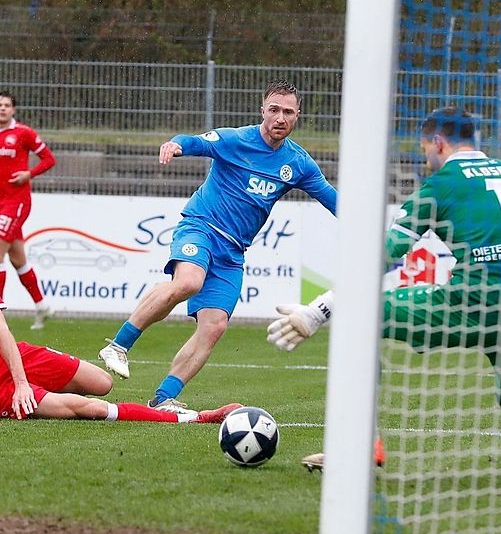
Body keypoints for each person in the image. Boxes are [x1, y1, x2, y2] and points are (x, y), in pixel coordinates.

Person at [266, 107, 501, 487]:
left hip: (473, 303)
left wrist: (321, 308)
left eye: (425, 148)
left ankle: (362, 447)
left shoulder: (441, 184)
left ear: (438, 142)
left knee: (359, 319)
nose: (426, 156)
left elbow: (388, 251)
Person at [0, 195, 241, 425]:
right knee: (87, 409)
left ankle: (38, 394)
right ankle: (196, 419)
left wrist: (21, 380)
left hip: (6, 360)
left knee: (101, 383)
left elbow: (0, 330)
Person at [97, 80, 337, 413]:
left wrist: (367, 229)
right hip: (201, 227)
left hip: (232, 253)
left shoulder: (298, 163)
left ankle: (163, 398)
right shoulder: (236, 139)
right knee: (187, 282)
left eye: (288, 112)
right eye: (274, 110)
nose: (280, 117)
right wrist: (174, 145)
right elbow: (194, 142)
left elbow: (332, 200)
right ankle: (118, 346)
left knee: (214, 327)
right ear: (262, 111)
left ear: (297, 117)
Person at [0, 91, 56, 330]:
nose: (2, 108)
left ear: (13, 110)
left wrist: (29, 174)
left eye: (7, 105)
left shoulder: (23, 133)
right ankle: (42, 305)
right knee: (17, 259)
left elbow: (48, 159)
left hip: (18, 202)